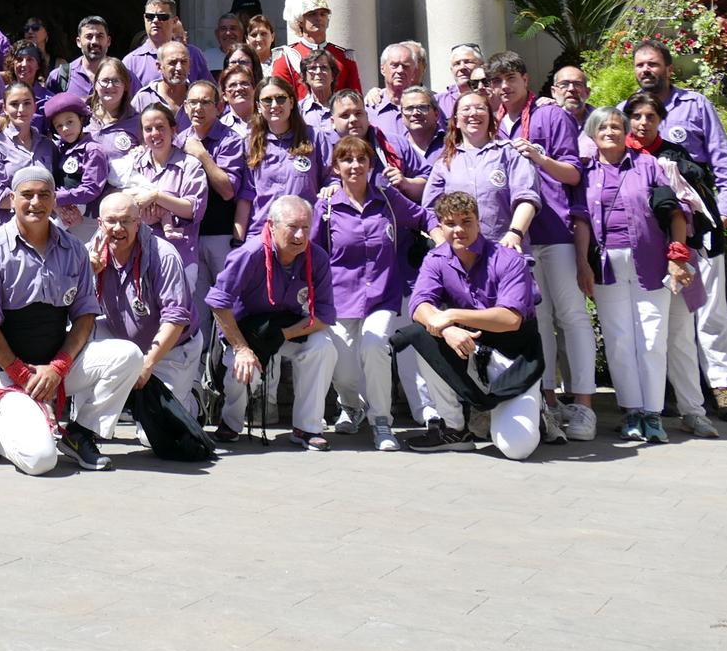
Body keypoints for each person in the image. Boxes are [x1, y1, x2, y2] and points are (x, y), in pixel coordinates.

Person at [0, 166, 144, 473]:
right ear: (12, 199)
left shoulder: (73, 247)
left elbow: (86, 315)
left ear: (54, 201)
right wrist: (22, 373)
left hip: (55, 368)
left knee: (129, 356)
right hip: (11, 371)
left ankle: (80, 434)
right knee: (40, 461)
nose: (36, 202)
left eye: (44, 195)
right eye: (27, 195)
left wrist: (58, 367)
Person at [633, 39, 727, 423]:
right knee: (664, 314)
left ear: (668, 68)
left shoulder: (695, 106)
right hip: (653, 233)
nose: (646, 70)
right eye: (640, 65)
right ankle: (668, 391)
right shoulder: (630, 111)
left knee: (709, 308)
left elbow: (724, 162)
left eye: (653, 64)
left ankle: (723, 389)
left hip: (699, 228)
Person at [575, 105, 701, 444]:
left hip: (649, 260)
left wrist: (677, 255)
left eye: (617, 126)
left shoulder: (647, 166)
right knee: (618, 341)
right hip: (607, 265)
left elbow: (675, 213)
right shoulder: (586, 173)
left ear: (625, 131)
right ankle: (631, 411)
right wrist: (582, 264)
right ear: (593, 134)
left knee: (652, 338)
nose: (611, 132)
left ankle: (653, 414)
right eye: (603, 127)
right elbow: (582, 221)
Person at [489, 50, 597, 445]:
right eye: (497, 82)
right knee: (539, 321)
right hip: (520, 236)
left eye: (510, 79)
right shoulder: (495, 120)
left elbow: (573, 174)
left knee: (572, 316)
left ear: (524, 79)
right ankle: (549, 400)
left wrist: (539, 157)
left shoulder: (551, 115)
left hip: (555, 229)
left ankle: (584, 404)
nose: (504, 87)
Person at [402, 190, 544, 459]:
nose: (459, 230)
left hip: (513, 357)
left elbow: (510, 319)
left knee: (517, 450)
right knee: (422, 335)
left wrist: (453, 315)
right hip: (470, 350)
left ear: (479, 222)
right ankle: (454, 429)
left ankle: (533, 409)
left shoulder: (509, 259)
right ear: (440, 226)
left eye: (466, 221)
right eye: (450, 223)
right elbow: (419, 305)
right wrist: (446, 328)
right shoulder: (436, 259)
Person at [315, 136, 429, 452]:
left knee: (375, 343)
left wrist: (445, 234)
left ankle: (382, 421)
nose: (355, 165)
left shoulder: (388, 199)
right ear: (336, 167)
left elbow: (422, 217)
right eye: (347, 160)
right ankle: (351, 405)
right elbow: (311, 252)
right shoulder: (325, 206)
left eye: (361, 159)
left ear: (370, 164)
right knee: (344, 366)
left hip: (382, 294)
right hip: (340, 297)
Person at [623, 92, 723, 438]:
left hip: (678, 258)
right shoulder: (616, 155)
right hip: (634, 263)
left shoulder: (675, 156)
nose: (643, 123)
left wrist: (680, 254)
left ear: (660, 120)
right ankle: (638, 412)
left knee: (680, 335)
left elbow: (693, 204)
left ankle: (692, 411)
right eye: (637, 116)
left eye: (650, 116)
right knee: (640, 339)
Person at [204, 195, 338, 447]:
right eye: (292, 227)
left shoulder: (317, 258)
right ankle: (231, 422)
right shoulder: (249, 253)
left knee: (323, 347)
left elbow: (324, 316)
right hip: (246, 332)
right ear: (272, 225)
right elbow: (218, 304)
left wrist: (284, 334)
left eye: (305, 228)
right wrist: (242, 348)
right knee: (242, 366)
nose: (299, 236)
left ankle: (306, 427)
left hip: (291, 328)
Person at [89, 191, 200, 418]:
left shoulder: (163, 255)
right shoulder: (91, 251)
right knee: (79, 337)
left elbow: (175, 319)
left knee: (155, 434)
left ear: (137, 223)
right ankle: (86, 425)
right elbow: (70, 304)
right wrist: (87, 274)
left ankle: (194, 401)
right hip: (123, 339)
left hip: (171, 350)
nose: (118, 228)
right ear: (100, 223)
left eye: (126, 221)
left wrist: (147, 364)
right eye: (111, 221)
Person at [419, 86, 542, 253]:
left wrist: (515, 233)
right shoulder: (444, 162)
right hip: (461, 259)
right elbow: (429, 211)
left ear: (490, 115)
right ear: (455, 118)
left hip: (506, 252)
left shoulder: (511, 153)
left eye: (480, 108)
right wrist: (443, 244)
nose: (473, 113)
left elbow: (527, 198)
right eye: (466, 109)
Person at [177, 80, 246, 344]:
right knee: (197, 305)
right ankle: (202, 374)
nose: (198, 108)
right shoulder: (179, 139)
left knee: (226, 302)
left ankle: (229, 361)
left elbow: (228, 190)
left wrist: (203, 155)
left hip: (220, 235)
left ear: (219, 107)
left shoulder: (230, 140)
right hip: (188, 236)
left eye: (205, 102)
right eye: (193, 102)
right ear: (185, 106)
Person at [112, 102, 207, 287]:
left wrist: (155, 196)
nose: (155, 133)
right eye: (148, 129)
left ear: (173, 129)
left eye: (160, 127)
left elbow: (193, 209)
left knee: (178, 314)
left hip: (180, 257)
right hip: (138, 258)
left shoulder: (190, 165)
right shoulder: (133, 163)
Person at [237, 76, 327, 236]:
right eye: (267, 100)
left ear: (291, 102)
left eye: (280, 99)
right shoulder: (250, 143)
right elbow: (247, 196)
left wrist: (331, 187)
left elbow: (331, 179)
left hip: (305, 234)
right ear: (258, 106)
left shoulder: (314, 136)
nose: (274, 105)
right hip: (263, 233)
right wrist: (239, 240)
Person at [271, 0, 362, 98]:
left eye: (323, 14)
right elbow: (279, 97)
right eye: (312, 14)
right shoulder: (286, 57)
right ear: (300, 20)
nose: (318, 18)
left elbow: (355, 97)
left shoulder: (343, 56)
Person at [46, 91, 110, 245]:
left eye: (70, 122)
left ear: (81, 119)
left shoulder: (92, 150)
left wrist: (58, 198)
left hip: (86, 219)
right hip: (64, 214)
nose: (65, 129)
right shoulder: (60, 149)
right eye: (59, 126)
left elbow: (92, 188)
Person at [0, 82, 56, 216]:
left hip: (44, 225)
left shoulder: (47, 145)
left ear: (35, 106)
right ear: (5, 108)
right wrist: (36, 205)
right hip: (9, 224)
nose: (21, 109)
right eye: (14, 104)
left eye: (27, 103)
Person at [124, 0, 212, 90]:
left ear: (174, 21)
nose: (155, 20)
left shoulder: (193, 54)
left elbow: (211, 93)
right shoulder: (131, 62)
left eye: (162, 17)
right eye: (150, 16)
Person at [86, 57, 143, 161]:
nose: (110, 86)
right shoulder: (83, 117)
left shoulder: (138, 123)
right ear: (95, 85)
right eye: (104, 81)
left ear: (125, 86)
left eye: (116, 81)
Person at [370, 42, 423, 153]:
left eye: (405, 66)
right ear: (382, 69)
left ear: (413, 72)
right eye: (394, 65)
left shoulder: (428, 107)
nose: (400, 70)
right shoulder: (369, 109)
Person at [133, 41, 194, 124]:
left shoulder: (197, 96)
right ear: (159, 67)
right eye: (173, 62)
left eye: (183, 62)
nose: (179, 68)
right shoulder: (144, 98)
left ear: (189, 65)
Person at [51, 15, 114, 96]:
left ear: (108, 41)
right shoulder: (60, 77)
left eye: (99, 36)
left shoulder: (123, 75)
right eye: (89, 36)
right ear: (78, 42)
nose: (94, 41)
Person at [0, 40, 52, 115]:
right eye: (19, 59)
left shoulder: (49, 101)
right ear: (13, 64)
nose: (24, 64)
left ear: (38, 65)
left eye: (30, 60)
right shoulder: (0, 95)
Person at [219, 64, 259, 137]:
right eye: (233, 85)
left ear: (254, 89)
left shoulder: (267, 120)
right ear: (224, 96)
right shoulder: (221, 126)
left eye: (244, 83)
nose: (239, 88)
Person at [550, 63, 591, 128]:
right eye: (564, 84)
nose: (571, 89)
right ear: (553, 92)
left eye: (578, 84)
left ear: (587, 92)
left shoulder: (602, 120)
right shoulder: (544, 120)